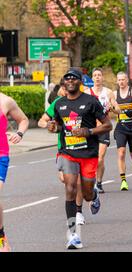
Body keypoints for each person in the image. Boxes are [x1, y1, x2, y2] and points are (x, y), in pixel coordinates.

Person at [48, 68, 112, 249]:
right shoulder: (59, 104)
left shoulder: (91, 101)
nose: (69, 81)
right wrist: (54, 127)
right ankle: (73, 235)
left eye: (73, 78)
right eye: (66, 78)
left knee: (86, 193)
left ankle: (94, 195)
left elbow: (108, 125)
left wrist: (89, 131)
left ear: (80, 82)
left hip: (88, 154)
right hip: (68, 153)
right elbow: (59, 126)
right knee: (70, 188)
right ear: (64, 83)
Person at [39, 80, 86, 226]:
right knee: (66, 181)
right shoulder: (58, 103)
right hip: (64, 149)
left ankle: (78, 212)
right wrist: (48, 124)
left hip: (82, 148)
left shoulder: (86, 101)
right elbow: (42, 120)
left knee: (77, 182)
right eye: (65, 87)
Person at [0, 93, 29, 252]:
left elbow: (23, 120)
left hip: (0, 155)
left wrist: (19, 133)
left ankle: (1, 237)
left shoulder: (5, 101)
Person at [84, 68, 120, 193]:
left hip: (104, 127)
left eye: (99, 75)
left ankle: (98, 182)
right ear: (92, 78)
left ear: (102, 77)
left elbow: (118, 109)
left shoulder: (108, 92)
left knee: (100, 157)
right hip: (90, 128)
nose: (97, 77)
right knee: (90, 157)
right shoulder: (86, 93)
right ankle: (91, 181)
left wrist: (113, 108)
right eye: (95, 75)